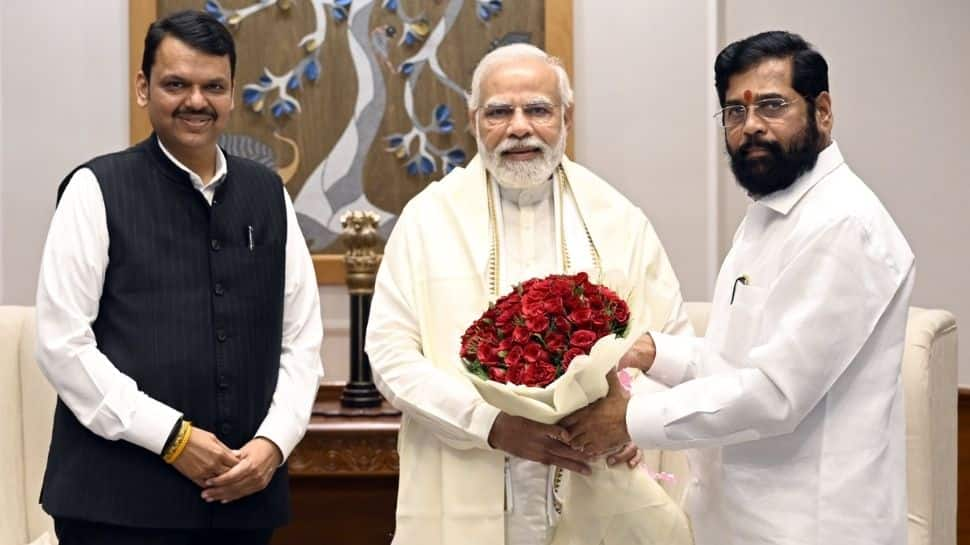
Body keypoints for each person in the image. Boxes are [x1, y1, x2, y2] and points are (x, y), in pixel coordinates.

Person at [563, 31, 915, 545]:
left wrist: (631, 418)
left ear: (823, 112)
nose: (751, 126)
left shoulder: (843, 225)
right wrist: (655, 351)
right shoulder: (771, 215)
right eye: (734, 111)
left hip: (812, 529)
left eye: (772, 105)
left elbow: (774, 394)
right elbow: (739, 360)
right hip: (737, 525)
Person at [365, 43, 692, 545]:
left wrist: (630, 416)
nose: (519, 127)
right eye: (499, 112)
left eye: (538, 109)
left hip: (593, 477)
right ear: (474, 120)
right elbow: (389, 355)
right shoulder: (428, 220)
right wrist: (489, 424)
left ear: (567, 117)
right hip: (466, 464)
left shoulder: (619, 219)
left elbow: (670, 340)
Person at [35, 10, 323, 545]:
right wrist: (172, 438)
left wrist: (274, 444)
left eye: (213, 86)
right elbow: (61, 344)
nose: (197, 101)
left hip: (244, 503)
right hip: (115, 509)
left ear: (232, 93)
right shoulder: (94, 189)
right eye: (176, 84)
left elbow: (302, 341)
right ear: (143, 89)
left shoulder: (268, 194)